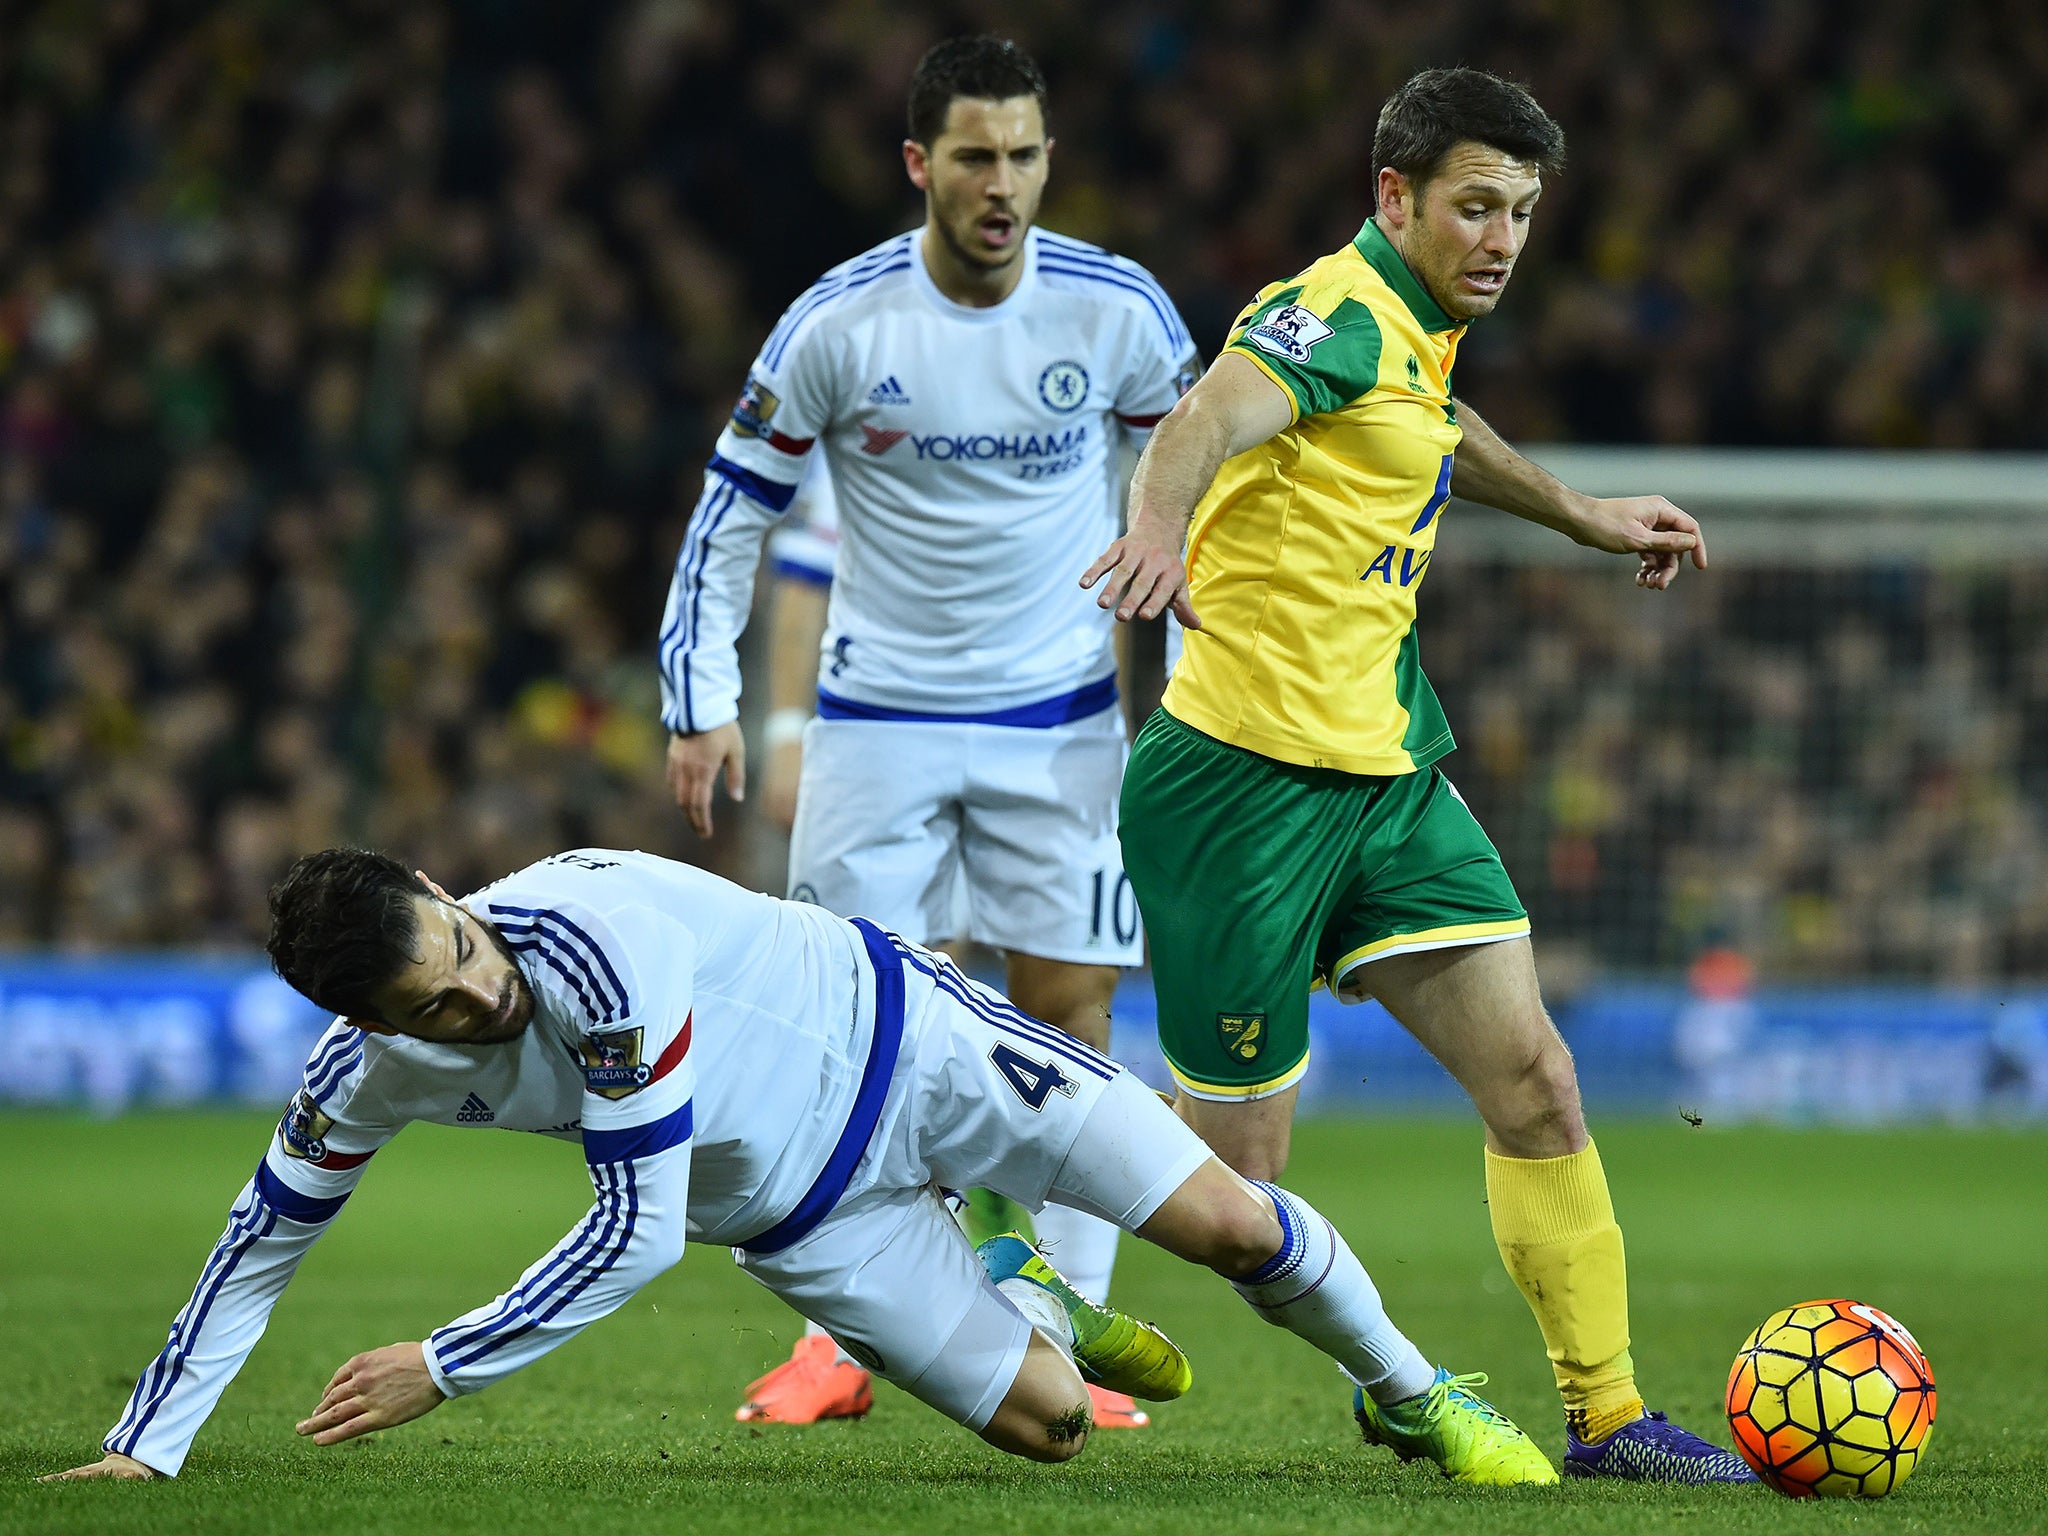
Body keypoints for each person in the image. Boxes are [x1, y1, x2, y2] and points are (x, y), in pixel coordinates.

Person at [44, 846, 1553, 1485]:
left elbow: (634, 1234)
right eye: (429, 1008)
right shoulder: (361, 1072)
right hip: (806, 1217)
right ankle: (1025, 1289)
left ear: (447, 892)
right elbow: (261, 1235)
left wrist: (442, 1362)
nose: (476, 998)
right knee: (1053, 1433)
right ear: (368, 1026)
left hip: (921, 1053)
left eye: (462, 951)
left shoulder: (589, 941)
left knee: (1229, 1229)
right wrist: (151, 1442)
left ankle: (1417, 1396)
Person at [1081, 67, 1754, 1484]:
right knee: (1238, 1189)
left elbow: (1433, 432)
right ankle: (1009, 1167)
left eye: (1520, 210)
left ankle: (1611, 1419)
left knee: (1539, 1085)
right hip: (1238, 795)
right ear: (1395, 198)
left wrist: (1578, 513)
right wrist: (1157, 527)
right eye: (1473, 207)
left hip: (1386, 781)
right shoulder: (1326, 314)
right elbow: (1203, 420)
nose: (1502, 238)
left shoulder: (1420, 331)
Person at [657, 35, 1200, 1429]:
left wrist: (1195, 705)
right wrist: (704, 706)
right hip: (876, 723)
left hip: (1064, 725)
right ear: (920, 165)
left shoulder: (1117, 312)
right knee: (836, 1038)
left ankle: (1054, 1335)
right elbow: (734, 517)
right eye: (973, 155)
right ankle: (841, 1344)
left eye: (1024, 154)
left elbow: (1207, 514)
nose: (1001, 183)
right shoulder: (839, 326)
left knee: (1071, 1017)